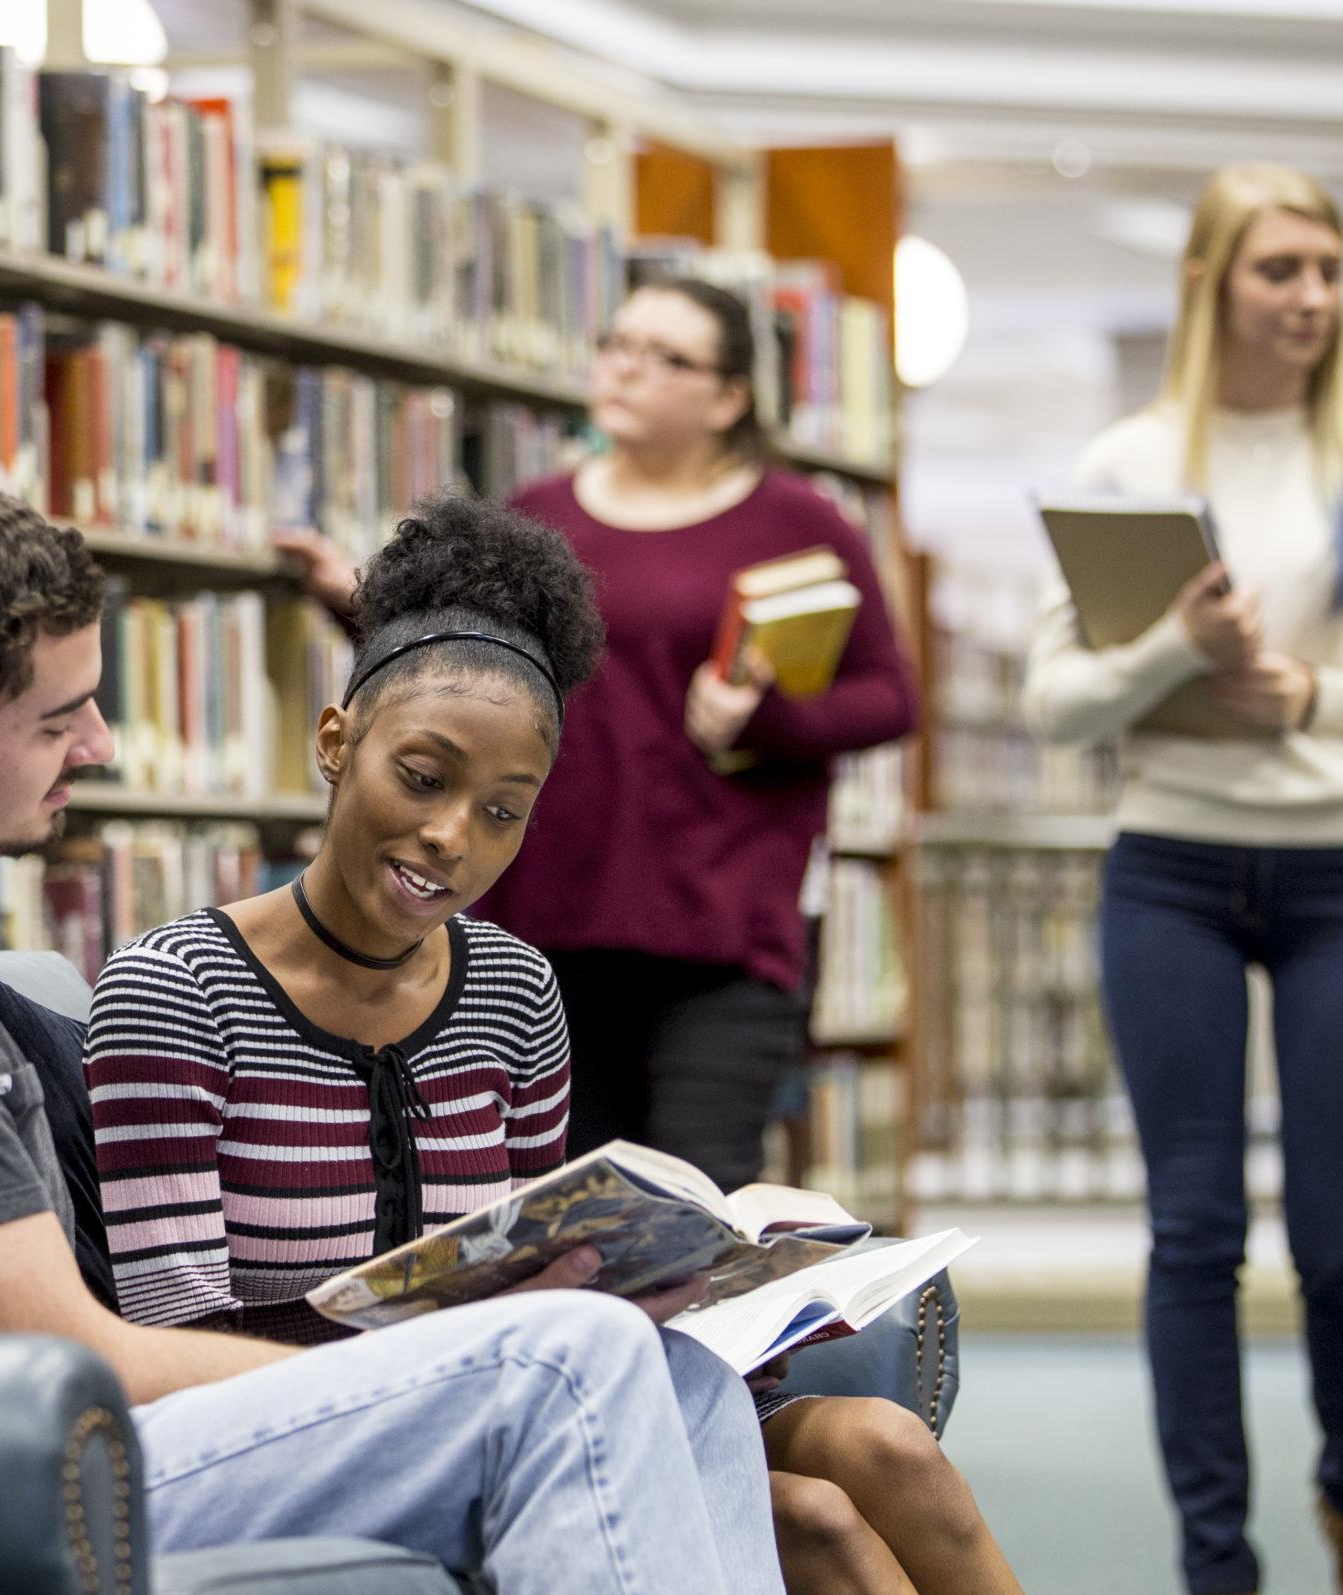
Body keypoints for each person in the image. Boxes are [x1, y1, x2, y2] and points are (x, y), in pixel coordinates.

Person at [0, 469, 813, 1595]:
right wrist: (456, 1351)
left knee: (669, 1378)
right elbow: (60, 1351)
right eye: (55, 719)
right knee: (565, 1358)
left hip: (61, 1432)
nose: (95, 746)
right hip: (8, 1466)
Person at [103, 493, 1067, 1595]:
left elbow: (512, 1256)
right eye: (421, 776)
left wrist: (692, 1282)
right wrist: (450, 1352)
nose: (452, 835)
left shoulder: (510, 990)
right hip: (316, 1422)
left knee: (877, 1448)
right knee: (813, 1526)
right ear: (336, 738)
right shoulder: (176, 986)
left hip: (523, 1386)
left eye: (503, 810)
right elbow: (164, 1335)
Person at [1022, 163, 1343, 1595]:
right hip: (1169, 863)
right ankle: (1218, 1586)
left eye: (1329, 269)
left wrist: (1308, 695)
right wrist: (1183, 646)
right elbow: (1054, 698)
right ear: (1214, 280)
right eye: (1281, 267)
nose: (1310, 296)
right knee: (1193, 1233)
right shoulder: (1136, 460)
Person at [290, 275, 918, 1196]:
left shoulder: (798, 522)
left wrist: (769, 719)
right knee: (568, 1210)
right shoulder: (542, 511)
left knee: (705, 1213)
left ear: (730, 397)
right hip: (549, 919)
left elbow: (890, 699)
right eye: (618, 344)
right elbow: (466, 666)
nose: (628, 369)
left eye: (668, 357)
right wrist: (356, 603)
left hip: (720, 931)